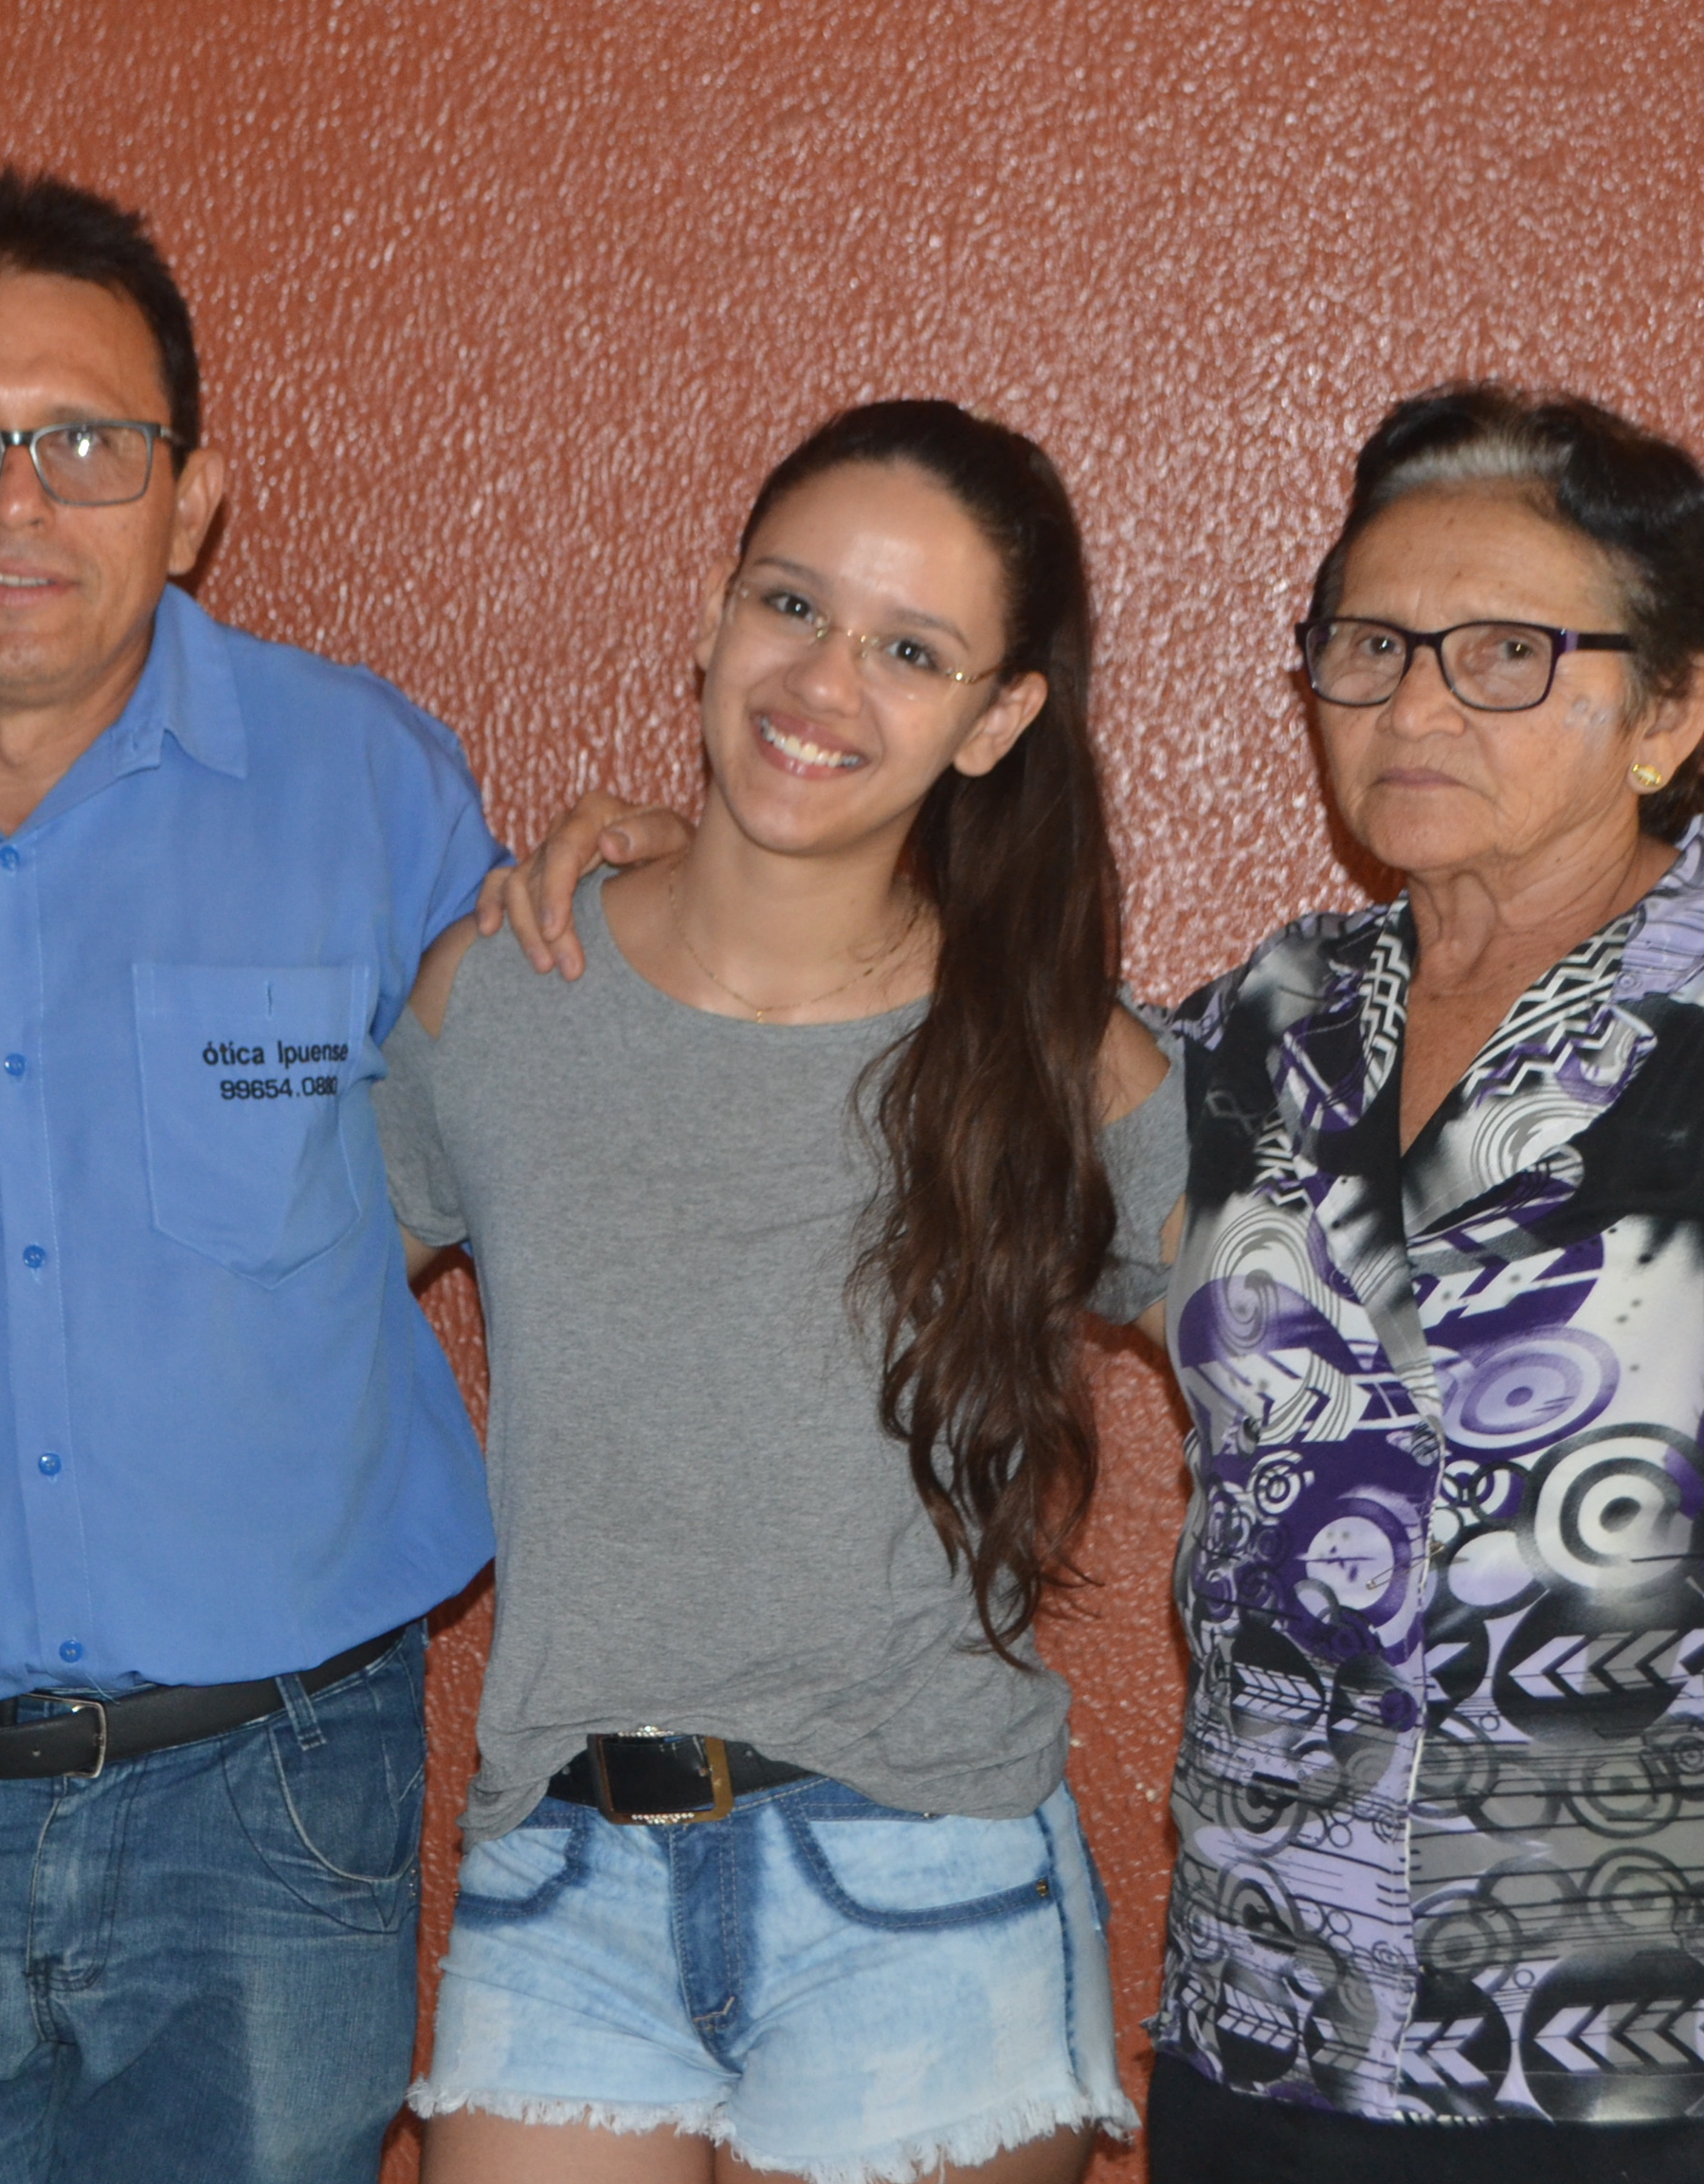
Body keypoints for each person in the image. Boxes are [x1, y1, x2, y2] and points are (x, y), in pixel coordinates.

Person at [0, 164, 578, 2184]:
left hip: (272, 1806)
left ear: (192, 498)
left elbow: (524, 1143)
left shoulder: (373, 786)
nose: (17, 501)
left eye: (89, 441)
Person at [1144, 384, 1704, 2184]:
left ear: (1674, 707)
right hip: (1270, 2046)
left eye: (1507, 653)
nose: (1413, 706)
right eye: (1369, 645)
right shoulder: (1267, 1026)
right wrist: (687, 869)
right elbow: (944, 1075)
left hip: (1693, 2078)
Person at [378, 400, 1179, 2184]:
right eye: (792, 605)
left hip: (931, 1894)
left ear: (997, 720)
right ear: (716, 615)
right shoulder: (504, 994)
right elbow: (274, 1320)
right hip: (561, 1881)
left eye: (912, 651)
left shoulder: (1062, 1062)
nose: (823, 682)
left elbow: (1324, 1389)